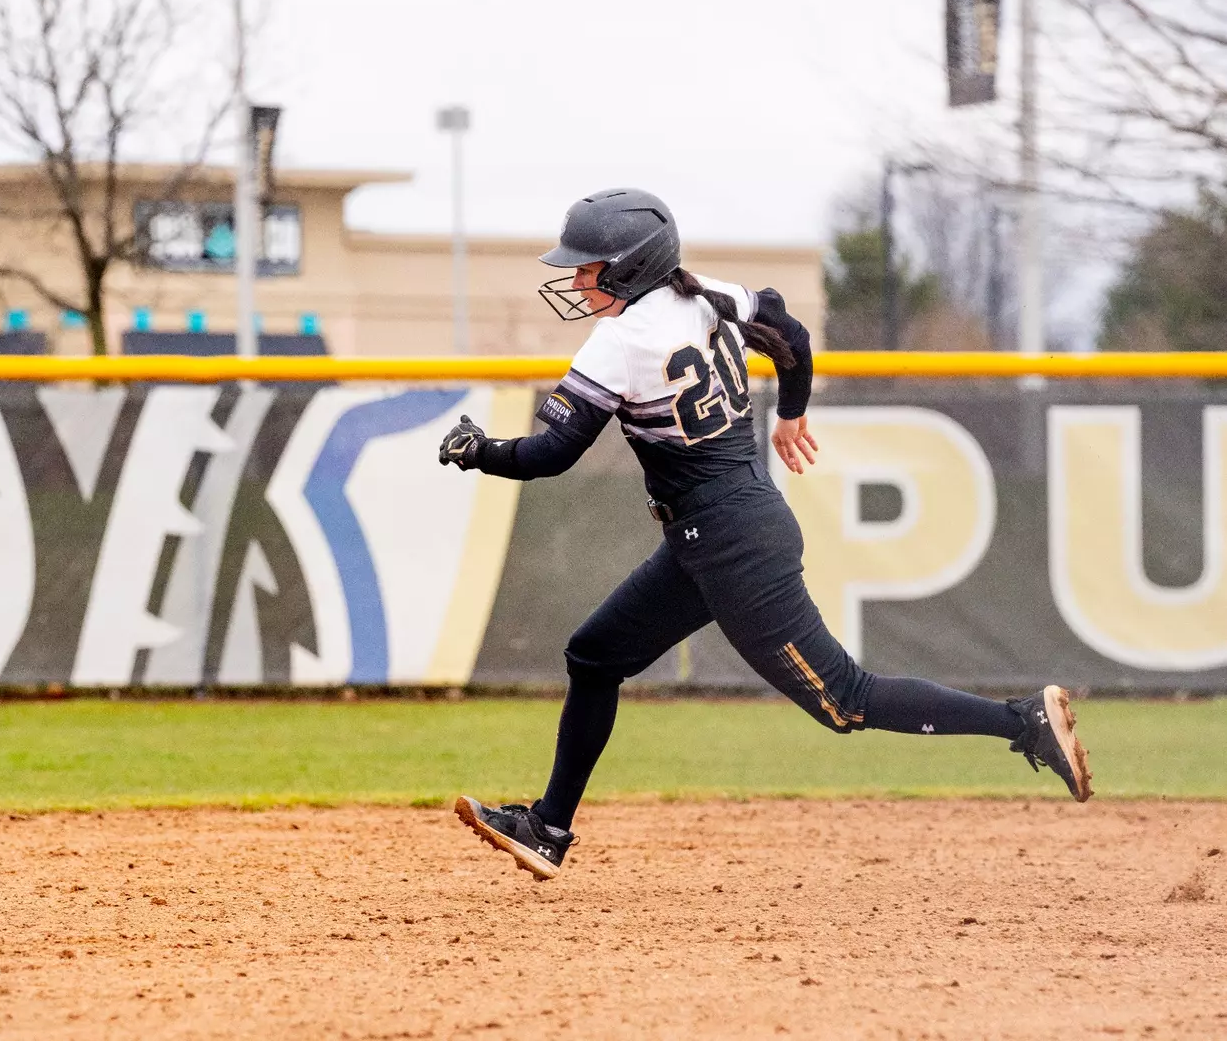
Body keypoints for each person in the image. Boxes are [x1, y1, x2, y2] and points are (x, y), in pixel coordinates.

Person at [439, 188, 1091, 882]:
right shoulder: (706, 294)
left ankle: (1023, 722)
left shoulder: (622, 339)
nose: (574, 279)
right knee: (596, 656)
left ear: (629, 266)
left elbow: (551, 455)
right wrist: (793, 411)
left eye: (587, 266)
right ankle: (549, 829)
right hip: (720, 532)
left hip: (730, 544)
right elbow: (793, 336)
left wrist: (480, 449)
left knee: (846, 700)